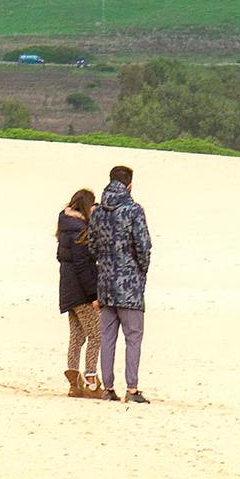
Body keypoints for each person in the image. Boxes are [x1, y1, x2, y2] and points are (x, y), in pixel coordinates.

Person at [89, 164, 151, 404]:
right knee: (133, 337)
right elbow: (143, 246)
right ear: (129, 185)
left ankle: (108, 388)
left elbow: (93, 245)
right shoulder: (134, 210)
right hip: (130, 285)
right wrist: (141, 270)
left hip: (105, 283)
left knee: (107, 337)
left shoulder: (98, 212)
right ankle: (132, 389)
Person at [56, 189, 102, 398]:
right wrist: (93, 295)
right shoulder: (80, 232)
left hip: (67, 290)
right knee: (96, 334)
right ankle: (91, 378)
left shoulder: (65, 226)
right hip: (80, 292)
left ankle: (74, 383)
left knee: (76, 336)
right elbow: (83, 266)